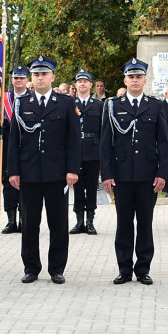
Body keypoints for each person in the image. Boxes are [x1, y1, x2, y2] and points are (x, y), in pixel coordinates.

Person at [7, 55, 80, 284]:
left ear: (53, 77)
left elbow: (73, 140)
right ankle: (31, 268)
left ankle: (57, 268)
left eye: (44, 74)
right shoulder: (21, 103)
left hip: (57, 173)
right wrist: (13, 171)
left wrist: (72, 169)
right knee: (29, 223)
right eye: (36, 74)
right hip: (28, 173)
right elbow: (13, 141)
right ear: (32, 78)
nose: (40, 78)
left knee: (58, 223)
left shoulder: (66, 103)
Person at [100, 58, 168, 284]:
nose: (135, 80)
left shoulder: (156, 105)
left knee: (145, 223)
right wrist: (107, 174)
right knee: (123, 223)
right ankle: (124, 269)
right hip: (121, 175)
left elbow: (164, 143)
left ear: (144, 79)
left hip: (147, 175)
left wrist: (162, 174)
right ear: (125, 80)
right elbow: (106, 143)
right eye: (131, 76)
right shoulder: (112, 105)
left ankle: (143, 269)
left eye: (138, 76)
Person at [70, 69, 103, 235]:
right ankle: (79, 221)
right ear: (75, 85)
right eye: (79, 81)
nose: (82, 84)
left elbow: (103, 131)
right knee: (77, 187)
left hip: (93, 150)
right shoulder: (69, 104)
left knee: (91, 187)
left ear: (91, 85)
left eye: (85, 81)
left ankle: (90, 221)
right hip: (75, 150)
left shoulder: (99, 105)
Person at [0, 66, 31, 234]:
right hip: (7, 144)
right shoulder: (3, 98)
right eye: (16, 78)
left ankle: (23, 218)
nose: (18, 80)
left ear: (27, 80)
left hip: (26, 144)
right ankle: (11, 219)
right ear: (12, 80)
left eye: (22, 78)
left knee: (26, 180)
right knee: (8, 179)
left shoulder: (32, 98)